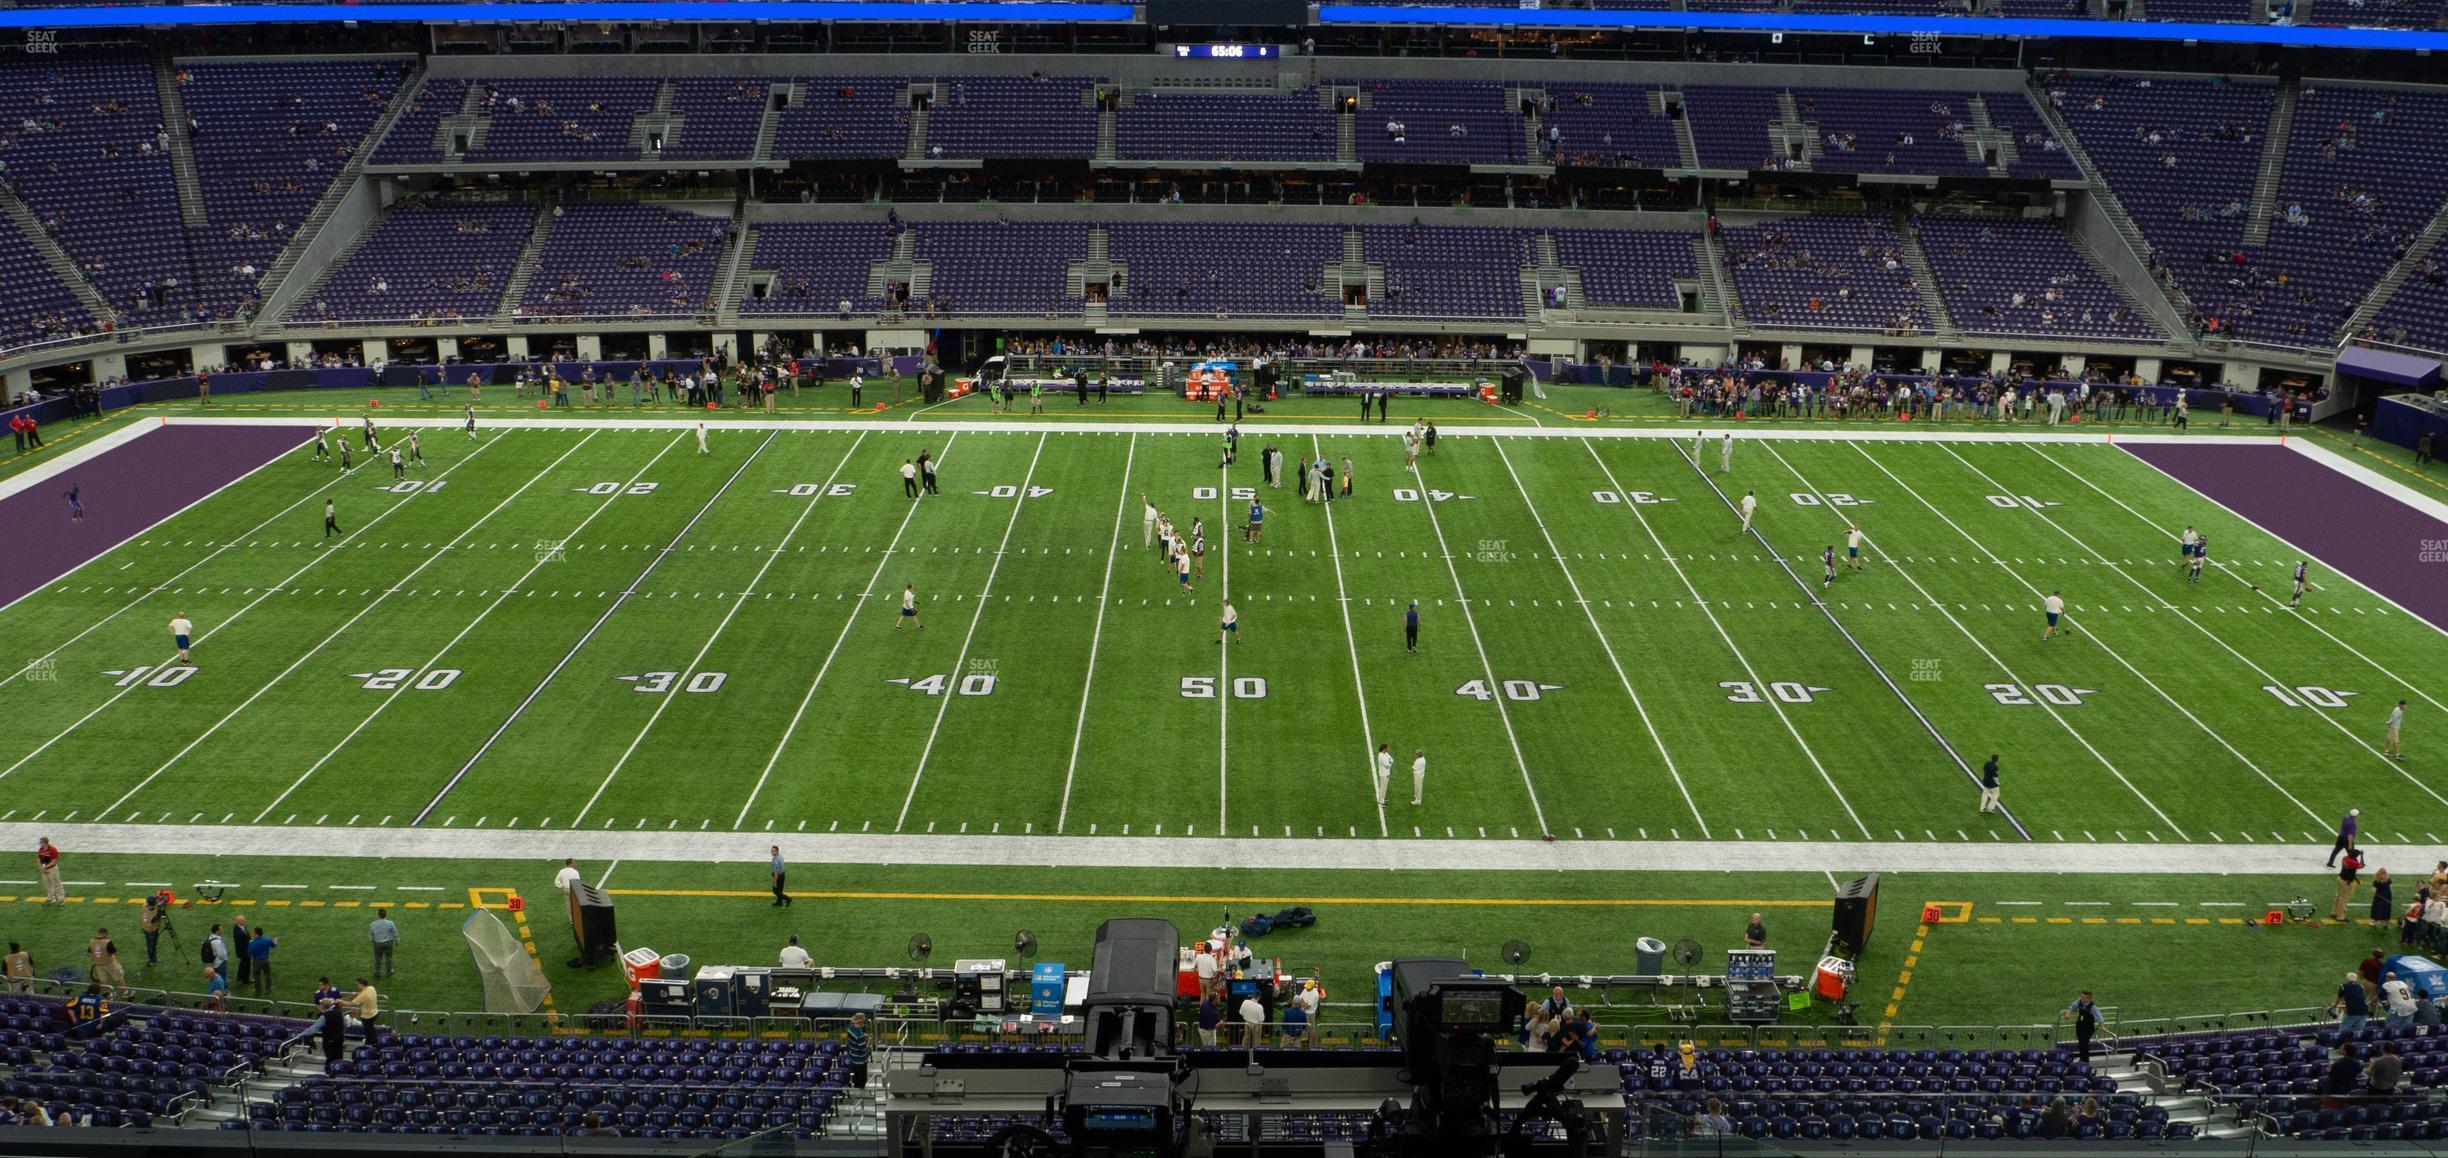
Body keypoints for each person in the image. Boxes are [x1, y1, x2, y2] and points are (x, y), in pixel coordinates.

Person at [86, 928, 126, 995]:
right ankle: (125, 993)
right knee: (119, 978)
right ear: (105, 934)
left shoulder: (91, 942)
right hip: (110, 964)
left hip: (98, 965)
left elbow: (90, 952)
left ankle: (110, 994)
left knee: (103, 981)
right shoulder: (107, 942)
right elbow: (114, 952)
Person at [2063, 991, 2100, 1061]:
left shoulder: (2093, 1007)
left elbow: (2099, 1017)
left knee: (2084, 1043)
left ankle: (2085, 1060)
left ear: (2089, 999)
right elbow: (2073, 1006)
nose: (2082, 999)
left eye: (2084, 998)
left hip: (2088, 1028)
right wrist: (2068, 1012)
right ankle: (2082, 1059)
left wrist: (2102, 1025)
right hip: (2080, 1026)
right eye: (2081, 997)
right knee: (2081, 1043)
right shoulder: (2079, 1001)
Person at [2333, 847, 2365, 922]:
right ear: (2356, 856)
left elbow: (2351, 871)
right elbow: (2362, 865)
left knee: (2338, 896)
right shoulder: (2353, 862)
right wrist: (2362, 856)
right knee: (2344, 899)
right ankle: (2340, 916)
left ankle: (2334, 912)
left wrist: (2356, 879)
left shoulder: (2345, 858)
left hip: (2340, 878)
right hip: (2346, 882)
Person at [247, 926, 277, 996]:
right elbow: (274, 945)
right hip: (265, 960)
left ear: (256, 934)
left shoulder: (252, 943)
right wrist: (275, 940)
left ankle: (258, 989)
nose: (252, 934)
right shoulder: (267, 939)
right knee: (267, 974)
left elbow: (248, 953)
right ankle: (268, 989)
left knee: (257, 976)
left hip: (256, 962)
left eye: (253, 932)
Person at [368, 908, 398, 977]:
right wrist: (397, 940)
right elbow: (395, 932)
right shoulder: (390, 923)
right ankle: (388, 972)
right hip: (388, 943)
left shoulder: (373, 924)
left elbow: (370, 935)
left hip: (377, 943)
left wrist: (373, 941)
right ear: (385, 915)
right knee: (388, 957)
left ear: (378, 915)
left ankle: (377, 972)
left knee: (378, 958)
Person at [844, 1012, 871, 1088]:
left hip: (853, 1057)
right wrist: (869, 1040)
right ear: (861, 1022)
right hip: (860, 1060)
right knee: (861, 1080)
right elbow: (863, 1048)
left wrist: (864, 1035)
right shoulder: (859, 1035)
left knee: (856, 1079)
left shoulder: (850, 1029)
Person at [35, 837, 63, 904]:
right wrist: (41, 868)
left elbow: (54, 861)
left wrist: (45, 868)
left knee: (57, 884)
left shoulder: (52, 850)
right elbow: (38, 858)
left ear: (45, 843)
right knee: (47, 884)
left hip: (52, 869)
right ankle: (51, 898)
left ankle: (61, 899)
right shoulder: (41, 849)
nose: (39, 843)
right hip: (44, 869)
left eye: (41, 842)